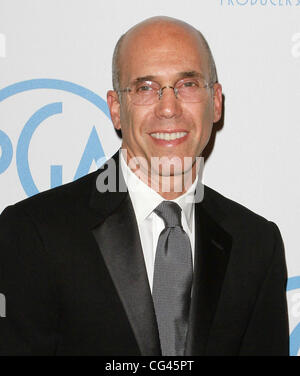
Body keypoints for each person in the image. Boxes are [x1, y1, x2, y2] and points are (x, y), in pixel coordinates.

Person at [0, 16, 289, 356]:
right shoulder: (34, 233)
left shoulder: (256, 244)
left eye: (188, 85)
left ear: (217, 101)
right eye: (145, 88)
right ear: (116, 109)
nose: (169, 108)